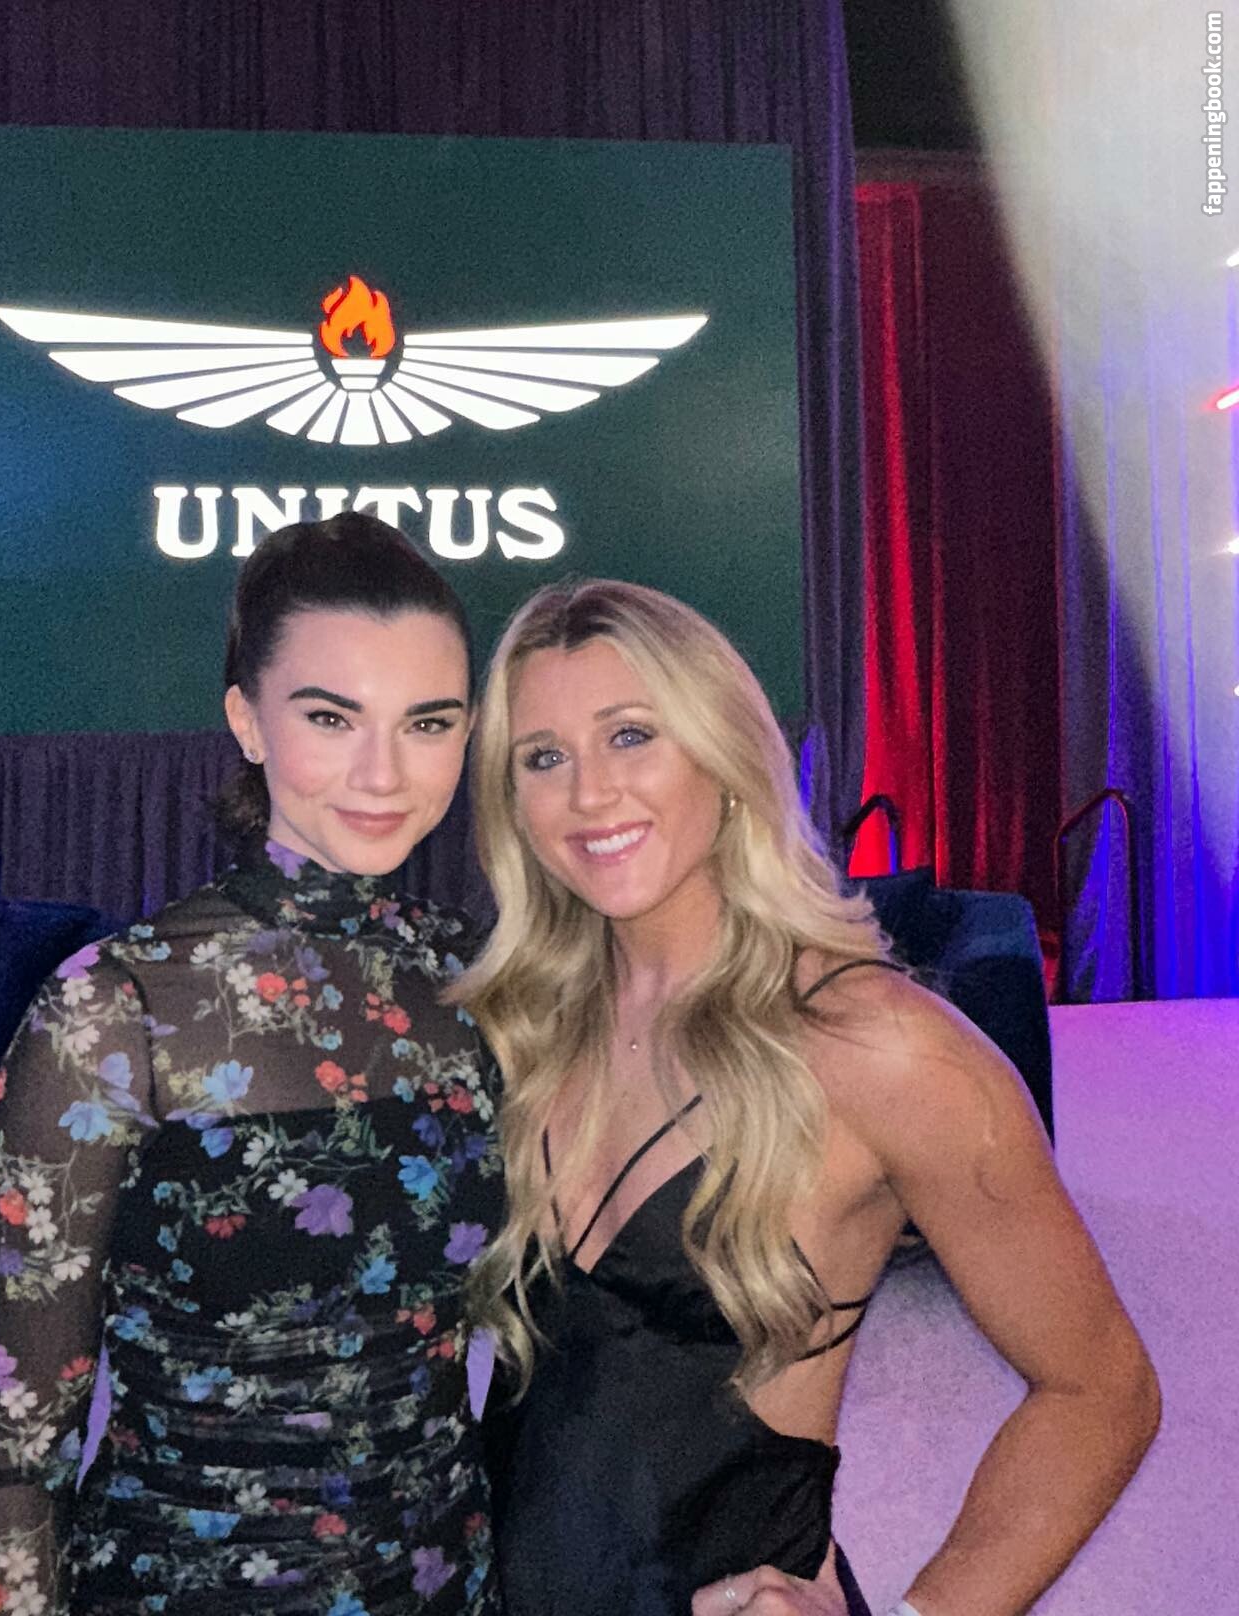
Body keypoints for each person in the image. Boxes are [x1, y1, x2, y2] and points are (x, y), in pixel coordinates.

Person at [454, 579, 1160, 1616]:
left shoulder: (880, 1047)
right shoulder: (529, 1021)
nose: (589, 793)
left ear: (725, 754)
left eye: (631, 735)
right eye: (543, 757)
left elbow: (1104, 1389)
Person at [0, 514, 505, 1616]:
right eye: (330, 717)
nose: (384, 771)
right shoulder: (114, 1010)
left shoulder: (478, 978)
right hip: (186, 1588)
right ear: (247, 721)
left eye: (428, 721)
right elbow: (19, 1447)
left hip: (451, 1579)